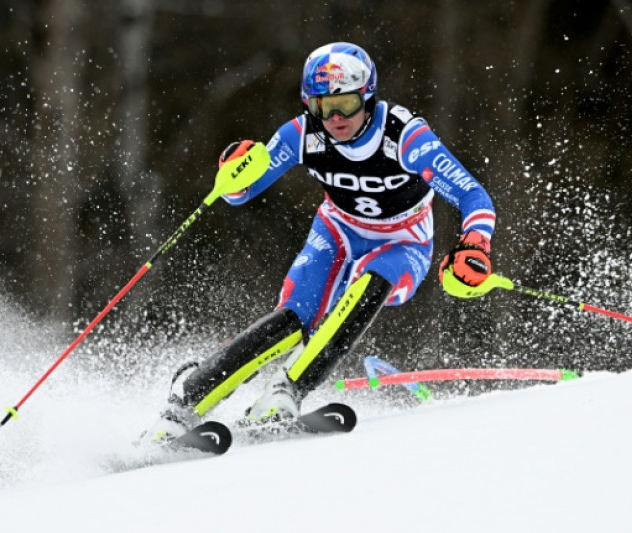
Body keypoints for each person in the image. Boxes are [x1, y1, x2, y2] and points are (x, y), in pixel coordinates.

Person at [145, 42, 497, 441]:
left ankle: (285, 390)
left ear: (367, 97)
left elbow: (473, 195)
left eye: (345, 104)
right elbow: (239, 193)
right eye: (322, 106)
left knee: (370, 285)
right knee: (295, 318)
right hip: (337, 232)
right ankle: (183, 405)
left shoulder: (404, 135)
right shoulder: (302, 134)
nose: (334, 118)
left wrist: (474, 244)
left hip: (403, 241)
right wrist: (234, 172)